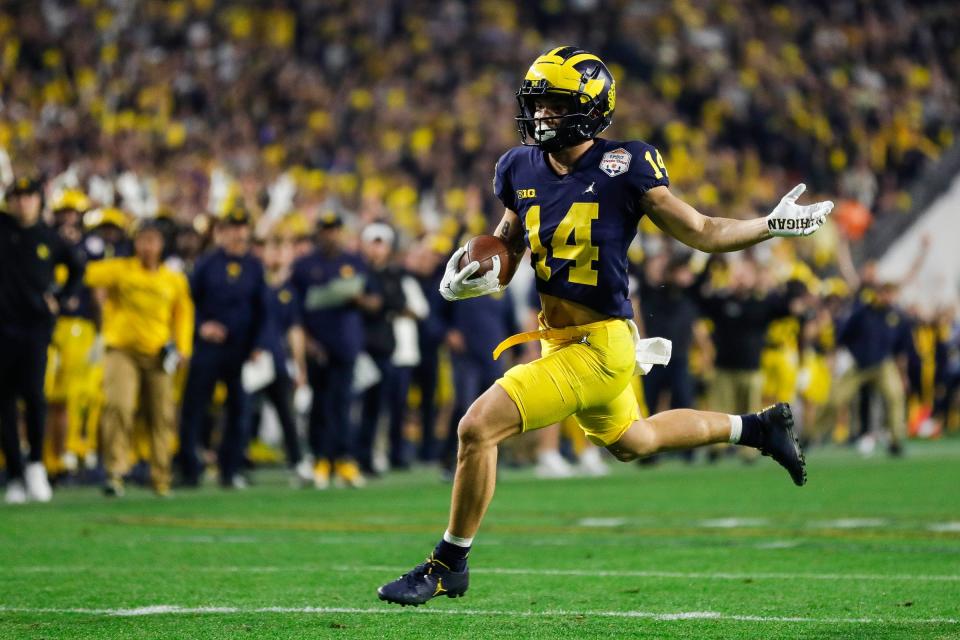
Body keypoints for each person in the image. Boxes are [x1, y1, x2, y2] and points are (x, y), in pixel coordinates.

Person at [377, 47, 833, 605]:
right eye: (535, 103)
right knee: (631, 441)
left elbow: (704, 230)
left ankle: (448, 564)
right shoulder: (517, 166)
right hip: (560, 340)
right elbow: (510, 245)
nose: (540, 116)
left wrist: (769, 225)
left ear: (591, 110)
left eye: (554, 105)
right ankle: (757, 428)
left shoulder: (627, 164)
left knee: (477, 428)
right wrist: (477, 270)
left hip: (602, 344)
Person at [84, 219, 193, 496]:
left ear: (161, 244)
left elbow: (182, 314)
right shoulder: (120, 270)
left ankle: (161, 476)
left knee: (162, 415)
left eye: (153, 240)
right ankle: (116, 472)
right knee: (118, 406)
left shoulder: (173, 278)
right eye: (142, 239)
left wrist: (183, 348)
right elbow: (85, 274)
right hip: (123, 351)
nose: (147, 246)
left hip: (158, 353)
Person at [1, 177, 85, 504]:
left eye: (29, 197)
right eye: (17, 197)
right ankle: (15, 474)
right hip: (2, 328)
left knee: (35, 395)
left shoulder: (50, 238)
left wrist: (61, 299)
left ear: (39, 200)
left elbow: (77, 269)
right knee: (3, 402)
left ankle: (36, 462)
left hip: (35, 328)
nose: (23, 203)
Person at [179, 206, 270, 488]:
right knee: (194, 407)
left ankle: (229, 470)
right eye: (233, 227)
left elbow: (263, 310)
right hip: (208, 347)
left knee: (239, 409)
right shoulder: (207, 263)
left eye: (243, 228)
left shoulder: (255, 266)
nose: (238, 233)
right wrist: (201, 326)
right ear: (223, 231)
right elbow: (186, 303)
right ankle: (189, 470)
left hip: (239, 349)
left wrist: (258, 345)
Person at [288, 213, 369, 489]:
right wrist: (307, 342)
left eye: (334, 229)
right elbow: (294, 311)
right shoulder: (303, 266)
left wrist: (360, 300)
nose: (330, 234)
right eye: (325, 229)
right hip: (317, 346)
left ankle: (344, 459)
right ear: (318, 232)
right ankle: (321, 458)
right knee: (320, 404)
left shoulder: (355, 262)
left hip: (346, 343)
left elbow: (376, 300)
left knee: (344, 403)